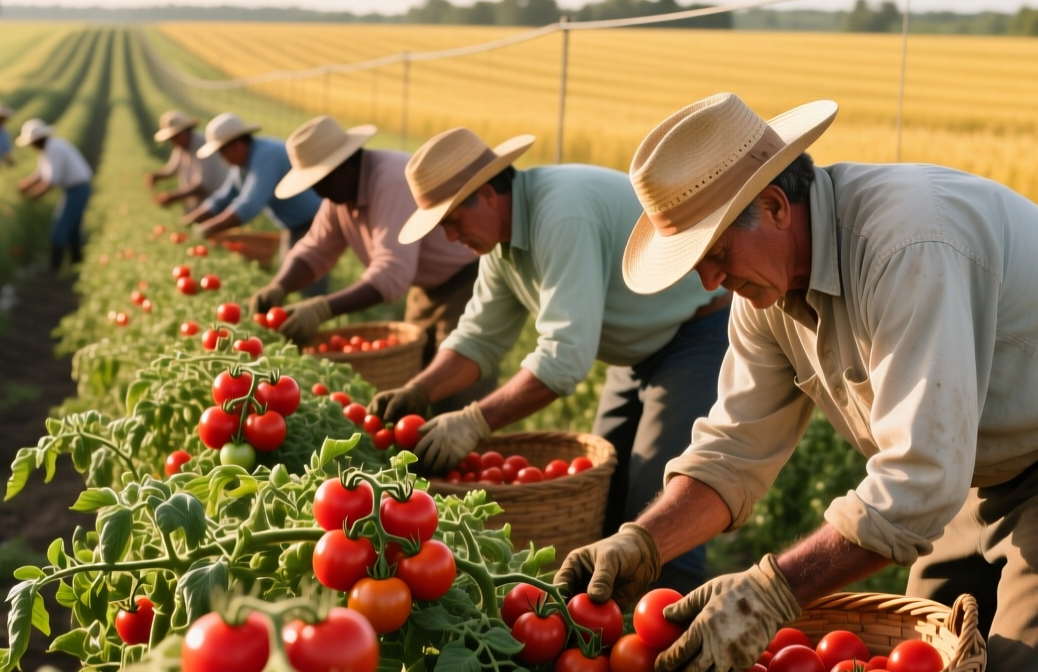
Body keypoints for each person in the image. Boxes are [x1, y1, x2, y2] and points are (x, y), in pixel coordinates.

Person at [560, 93, 1038, 672]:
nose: (708, 281)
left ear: (774, 205)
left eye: (715, 255)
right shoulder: (765, 297)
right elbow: (735, 449)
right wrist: (643, 542)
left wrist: (773, 590)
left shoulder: (905, 245)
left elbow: (916, 484)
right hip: (983, 464)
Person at [370, 127, 730, 592]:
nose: (449, 235)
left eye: (453, 219)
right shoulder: (501, 244)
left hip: (695, 334)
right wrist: (419, 390)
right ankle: (608, 622)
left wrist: (475, 421)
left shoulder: (561, 214)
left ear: (486, 194)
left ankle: (671, 623)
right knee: (606, 484)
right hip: (639, 349)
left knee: (658, 499)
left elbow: (564, 358)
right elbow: (478, 338)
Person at [249, 117, 491, 405]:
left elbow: (392, 271)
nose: (319, 192)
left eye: (322, 180)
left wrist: (323, 308)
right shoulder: (339, 195)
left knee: (456, 380)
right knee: (416, 376)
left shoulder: (390, 181)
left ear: (346, 163)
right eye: (313, 184)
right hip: (426, 284)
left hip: (467, 279)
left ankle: (472, 442)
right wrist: (279, 286)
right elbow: (315, 248)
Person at [190, 112, 326, 295]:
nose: (222, 158)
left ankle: (315, 313)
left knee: (307, 278)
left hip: (314, 221)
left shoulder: (265, 155)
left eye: (222, 151)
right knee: (288, 276)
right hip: (294, 225)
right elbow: (224, 196)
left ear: (236, 146)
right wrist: (190, 220)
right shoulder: (241, 165)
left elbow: (249, 205)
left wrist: (207, 228)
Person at [14, 118, 94, 271]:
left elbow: (51, 181)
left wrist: (33, 197)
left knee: (61, 228)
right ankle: (76, 264)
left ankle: (54, 268)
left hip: (77, 189)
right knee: (73, 227)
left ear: (37, 140)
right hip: (75, 189)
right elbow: (40, 174)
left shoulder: (53, 149)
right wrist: (25, 185)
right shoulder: (48, 148)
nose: (31, 146)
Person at [145, 109, 228, 212]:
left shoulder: (202, 145)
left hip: (216, 204)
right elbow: (171, 170)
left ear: (186, 130)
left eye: (175, 136)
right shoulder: (181, 147)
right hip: (198, 203)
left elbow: (202, 185)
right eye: (171, 138)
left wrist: (172, 197)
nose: (173, 141)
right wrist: (156, 176)